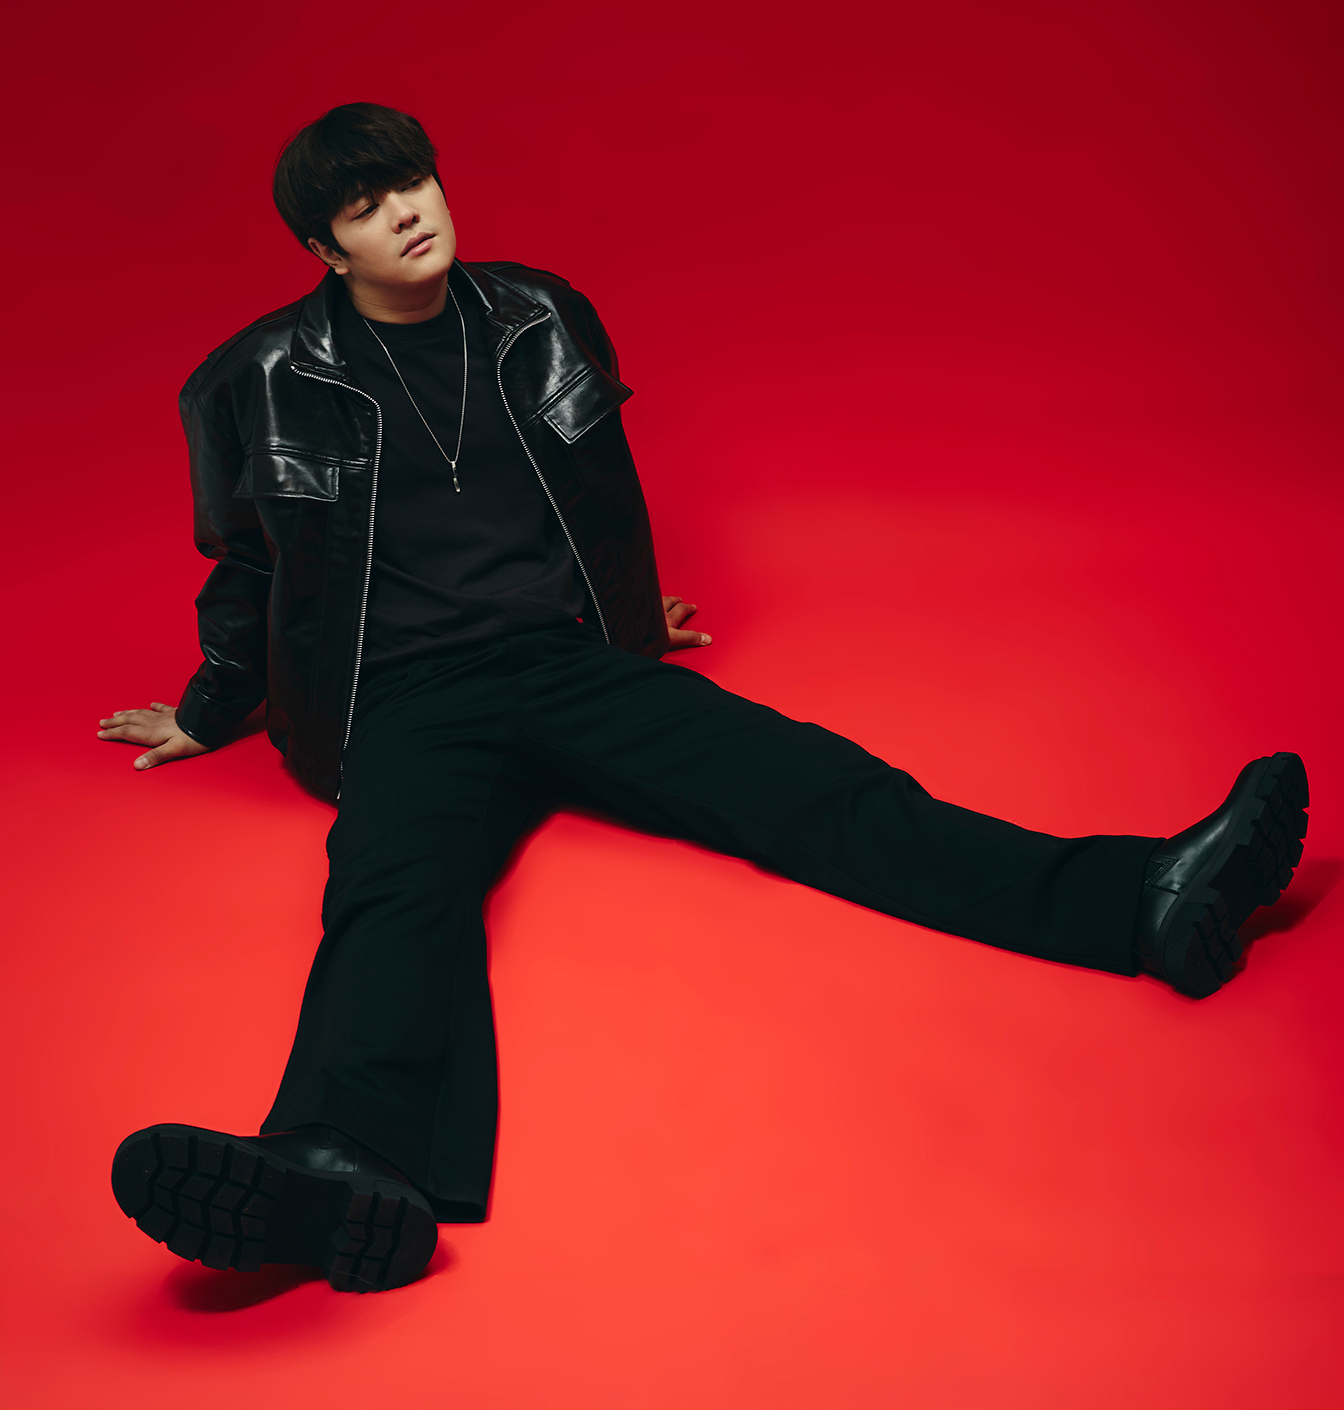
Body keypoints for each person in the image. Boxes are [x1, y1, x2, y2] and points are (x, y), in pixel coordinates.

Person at [102, 102, 1309, 1295]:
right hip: (406, 693)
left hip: (565, 660)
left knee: (819, 787)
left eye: (411, 184)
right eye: (366, 210)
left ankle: (1142, 902)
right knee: (393, 894)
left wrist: (631, 619)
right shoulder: (262, 376)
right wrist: (211, 706)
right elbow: (251, 563)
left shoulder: (537, 313)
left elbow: (599, 490)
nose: (406, 216)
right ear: (326, 249)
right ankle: (339, 1166)